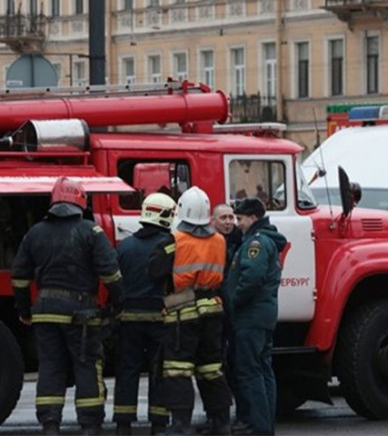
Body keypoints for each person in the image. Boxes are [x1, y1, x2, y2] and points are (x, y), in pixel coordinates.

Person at [11, 177, 124, 436]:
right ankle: (90, 425)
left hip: (45, 312)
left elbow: (19, 276)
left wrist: (24, 309)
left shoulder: (35, 232)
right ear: (81, 201)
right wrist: (118, 304)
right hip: (81, 313)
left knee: (50, 367)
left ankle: (50, 424)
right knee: (86, 365)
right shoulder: (91, 231)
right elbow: (111, 274)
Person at [150, 186, 232, 435]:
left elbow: (153, 272)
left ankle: (181, 425)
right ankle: (221, 422)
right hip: (213, 311)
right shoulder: (219, 239)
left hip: (182, 314)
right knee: (211, 368)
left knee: (178, 370)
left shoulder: (173, 241)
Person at [113, 193, 177, 436]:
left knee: (127, 370)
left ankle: (123, 424)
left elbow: (115, 281)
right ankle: (159, 425)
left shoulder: (125, 245)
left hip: (129, 319)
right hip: (159, 318)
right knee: (159, 371)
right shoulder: (170, 244)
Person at [228, 198, 287, 436]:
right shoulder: (264, 240)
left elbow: (252, 277)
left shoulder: (256, 242)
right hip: (262, 315)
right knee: (263, 370)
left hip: (250, 316)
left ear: (253, 217)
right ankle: (264, 425)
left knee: (249, 371)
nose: (237, 224)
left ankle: (258, 426)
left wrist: (234, 301)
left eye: (240, 219)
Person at [196, 204, 243, 435]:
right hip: (214, 314)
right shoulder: (211, 242)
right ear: (212, 220)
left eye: (231, 217)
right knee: (213, 368)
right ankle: (215, 416)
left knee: (233, 368)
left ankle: (230, 417)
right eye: (223, 217)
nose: (228, 221)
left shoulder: (241, 242)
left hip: (232, 315)